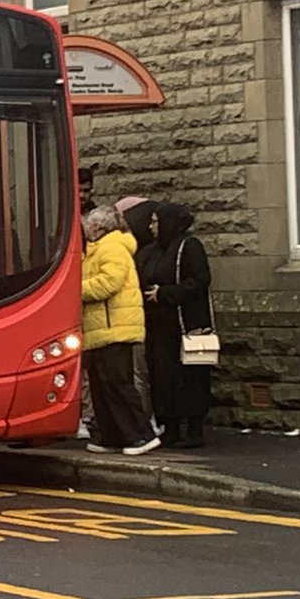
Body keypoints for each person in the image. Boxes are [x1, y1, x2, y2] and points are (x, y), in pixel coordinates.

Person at [80, 205, 159, 455]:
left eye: (89, 225)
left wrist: (75, 289)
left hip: (115, 327)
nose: (86, 230)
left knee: (118, 385)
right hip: (102, 328)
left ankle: (140, 435)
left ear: (99, 227)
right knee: (103, 387)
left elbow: (108, 283)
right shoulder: (100, 249)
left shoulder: (112, 247)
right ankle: (113, 435)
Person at [136, 203, 214, 448]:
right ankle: (170, 427)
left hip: (186, 325)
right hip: (160, 327)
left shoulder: (189, 247)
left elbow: (200, 281)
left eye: (156, 221)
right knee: (163, 378)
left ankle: (194, 430)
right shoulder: (153, 251)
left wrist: (166, 293)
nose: (152, 227)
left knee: (190, 377)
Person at [115, 195, 160, 429]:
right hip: (138, 321)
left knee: (137, 374)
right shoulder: (140, 251)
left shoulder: (133, 253)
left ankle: (143, 421)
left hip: (131, 323)